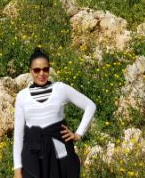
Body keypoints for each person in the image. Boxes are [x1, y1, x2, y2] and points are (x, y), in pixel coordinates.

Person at [13, 48, 96, 178]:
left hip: (61, 155)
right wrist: (17, 169)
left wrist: (78, 134)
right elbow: (18, 135)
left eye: (45, 69)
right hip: (33, 157)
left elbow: (90, 106)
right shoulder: (22, 96)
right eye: (37, 70)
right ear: (30, 71)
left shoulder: (60, 89)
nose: (42, 73)